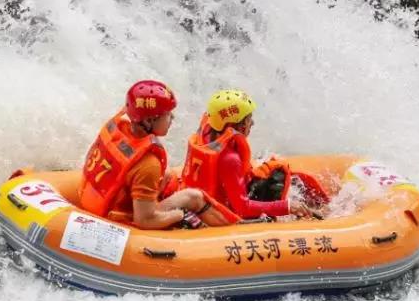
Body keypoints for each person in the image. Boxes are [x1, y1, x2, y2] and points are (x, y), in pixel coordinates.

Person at [78, 80, 211, 230]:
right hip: (119, 220)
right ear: (149, 120)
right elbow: (144, 221)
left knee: (167, 175)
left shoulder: (121, 130)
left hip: (99, 203)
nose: (172, 118)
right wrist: (179, 215)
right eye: (167, 114)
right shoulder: (148, 164)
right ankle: (226, 228)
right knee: (193, 197)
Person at [181, 89, 315, 220]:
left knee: (298, 179)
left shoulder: (209, 132)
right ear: (237, 125)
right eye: (249, 119)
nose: (252, 123)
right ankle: (321, 213)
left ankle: (318, 207)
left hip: (212, 200)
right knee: (280, 173)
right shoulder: (229, 159)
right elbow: (242, 208)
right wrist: (287, 207)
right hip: (223, 211)